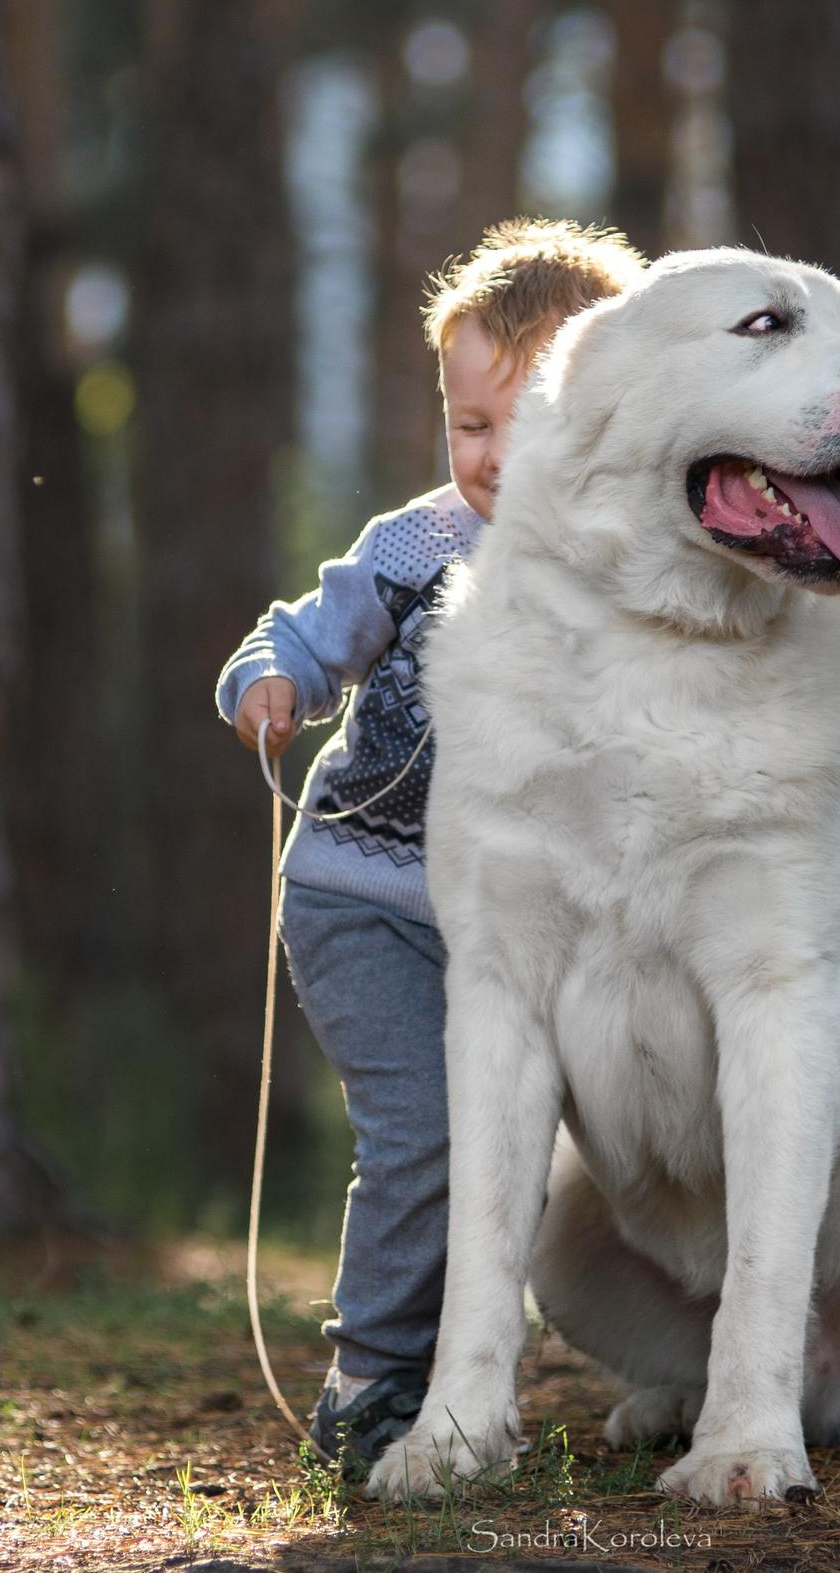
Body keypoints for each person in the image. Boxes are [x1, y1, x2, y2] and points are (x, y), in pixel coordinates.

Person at [220, 218, 647, 1473]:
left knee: (566, 1141)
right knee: (430, 1128)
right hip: (367, 895)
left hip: (533, 924)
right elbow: (303, 632)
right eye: (470, 426)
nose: (496, 457)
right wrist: (270, 680)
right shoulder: (414, 549)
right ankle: (373, 1380)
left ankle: (660, 1348)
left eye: (532, 422)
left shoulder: (636, 563)